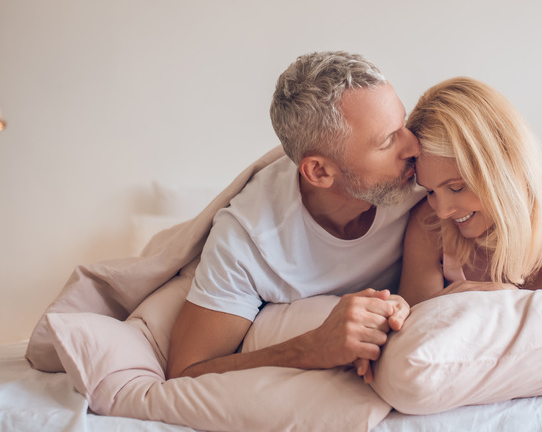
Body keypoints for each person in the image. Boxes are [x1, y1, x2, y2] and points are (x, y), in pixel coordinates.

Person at [166, 51, 424, 383]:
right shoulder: (248, 241)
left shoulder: (424, 180)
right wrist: (312, 349)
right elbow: (186, 371)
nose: (414, 146)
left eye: (402, 123)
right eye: (388, 141)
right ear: (318, 171)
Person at [399, 77, 542, 306]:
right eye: (430, 191)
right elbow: (416, 334)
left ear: (504, 165)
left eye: (457, 187)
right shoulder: (429, 222)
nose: (442, 211)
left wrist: (510, 301)